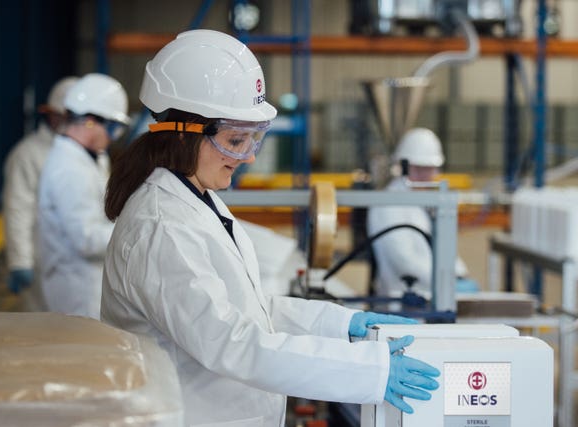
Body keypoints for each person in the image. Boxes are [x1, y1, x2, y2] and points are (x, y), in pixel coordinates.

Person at [101, 29, 439, 426]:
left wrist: (340, 325)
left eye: (253, 140)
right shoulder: (161, 226)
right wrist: (368, 371)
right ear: (183, 133)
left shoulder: (196, 199)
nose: (246, 157)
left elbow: (250, 312)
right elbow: (231, 342)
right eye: (235, 140)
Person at [37, 73, 129, 319]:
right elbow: (86, 240)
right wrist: (133, 229)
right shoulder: (67, 168)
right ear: (89, 121)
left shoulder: (91, 158)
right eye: (112, 128)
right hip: (78, 288)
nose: (112, 137)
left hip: (92, 281)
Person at [367, 127, 478, 297]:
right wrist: (448, 282)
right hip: (402, 300)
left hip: (430, 295)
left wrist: (460, 272)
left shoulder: (419, 201)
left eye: (430, 169)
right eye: (419, 169)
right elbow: (403, 261)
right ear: (402, 166)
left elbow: (439, 248)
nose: (427, 176)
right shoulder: (388, 204)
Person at [2, 76, 78, 306]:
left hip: (83, 263)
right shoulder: (28, 154)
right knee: (44, 333)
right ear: (51, 114)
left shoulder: (94, 155)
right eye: (65, 116)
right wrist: (20, 261)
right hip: (43, 261)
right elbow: (18, 209)